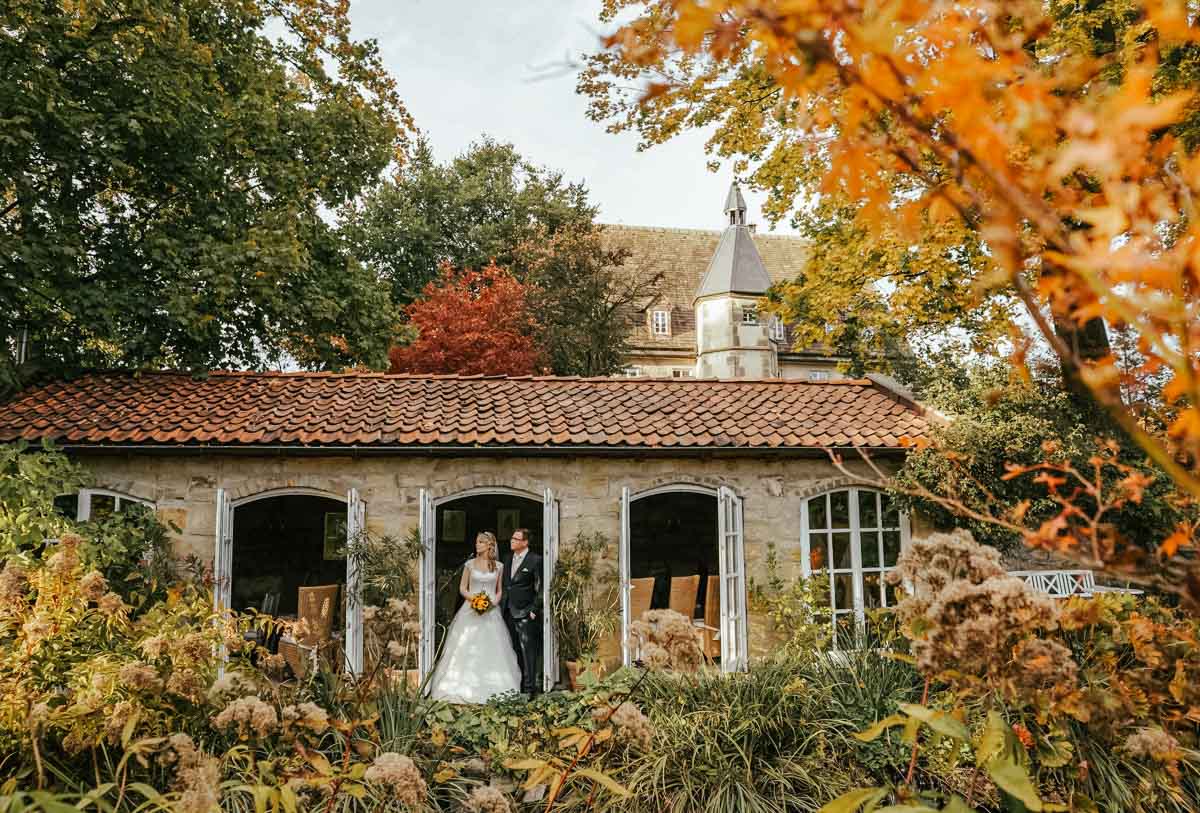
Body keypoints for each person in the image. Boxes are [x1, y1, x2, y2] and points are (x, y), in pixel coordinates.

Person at [428, 532, 522, 703]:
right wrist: (475, 600)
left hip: (491, 611)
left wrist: (492, 603)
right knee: (464, 645)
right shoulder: (469, 565)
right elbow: (463, 588)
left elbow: (499, 590)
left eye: (480, 542)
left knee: (493, 648)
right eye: (477, 542)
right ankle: (456, 688)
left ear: (489, 545)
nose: (477, 545)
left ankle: (496, 688)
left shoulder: (499, 566)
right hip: (470, 609)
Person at [501, 527, 543, 697]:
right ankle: (516, 686)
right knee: (514, 650)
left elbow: (541, 587)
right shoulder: (507, 559)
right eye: (512, 538)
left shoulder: (536, 560)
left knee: (528, 651)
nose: (512, 541)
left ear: (525, 542)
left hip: (526, 612)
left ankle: (529, 689)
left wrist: (534, 609)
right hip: (508, 611)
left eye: (516, 539)